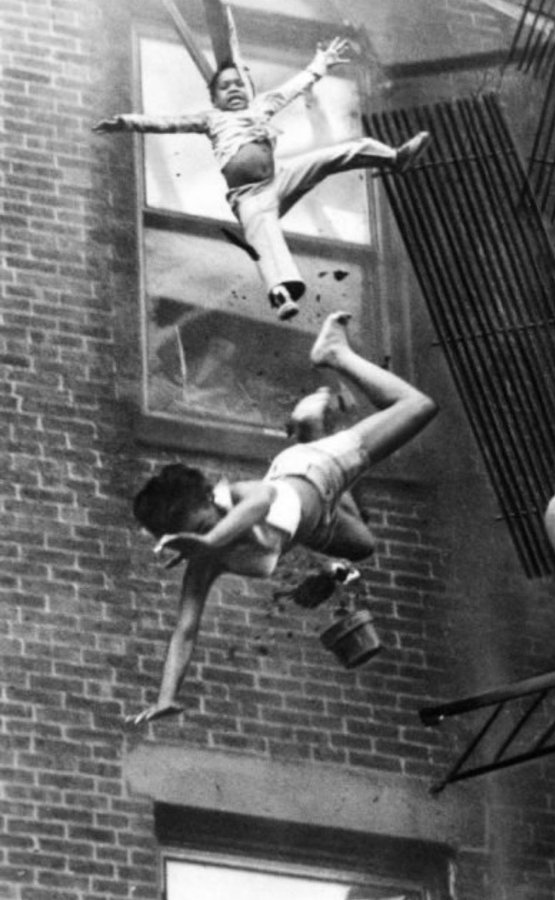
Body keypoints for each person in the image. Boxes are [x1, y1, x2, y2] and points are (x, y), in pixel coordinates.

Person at [128, 311, 437, 723]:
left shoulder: (236, 496)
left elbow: (262, 502)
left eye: (207, 524)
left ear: (210, 499)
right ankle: (311, 422)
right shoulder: (203, 562)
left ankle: (335, 354)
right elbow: (185, 629)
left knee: (417, 406)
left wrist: (210, 539)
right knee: (364, 546)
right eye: (197, 536)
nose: (212, 534)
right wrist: (166, 696)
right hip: (316, 523)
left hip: (318, 470)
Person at [93, 38, 431, 320]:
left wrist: (321, 61)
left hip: (280, 178)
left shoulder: (261, 108)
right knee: (263, 234)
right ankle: (281, 293)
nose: (233, 90)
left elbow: (295, 87)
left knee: (342, 152)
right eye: (225, 88)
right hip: (250, 196)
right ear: (214, 99)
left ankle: (393, 157)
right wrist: (124, 121)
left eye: (238, 84)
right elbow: (165, 123)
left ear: (248, 89)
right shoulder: (210, 119)